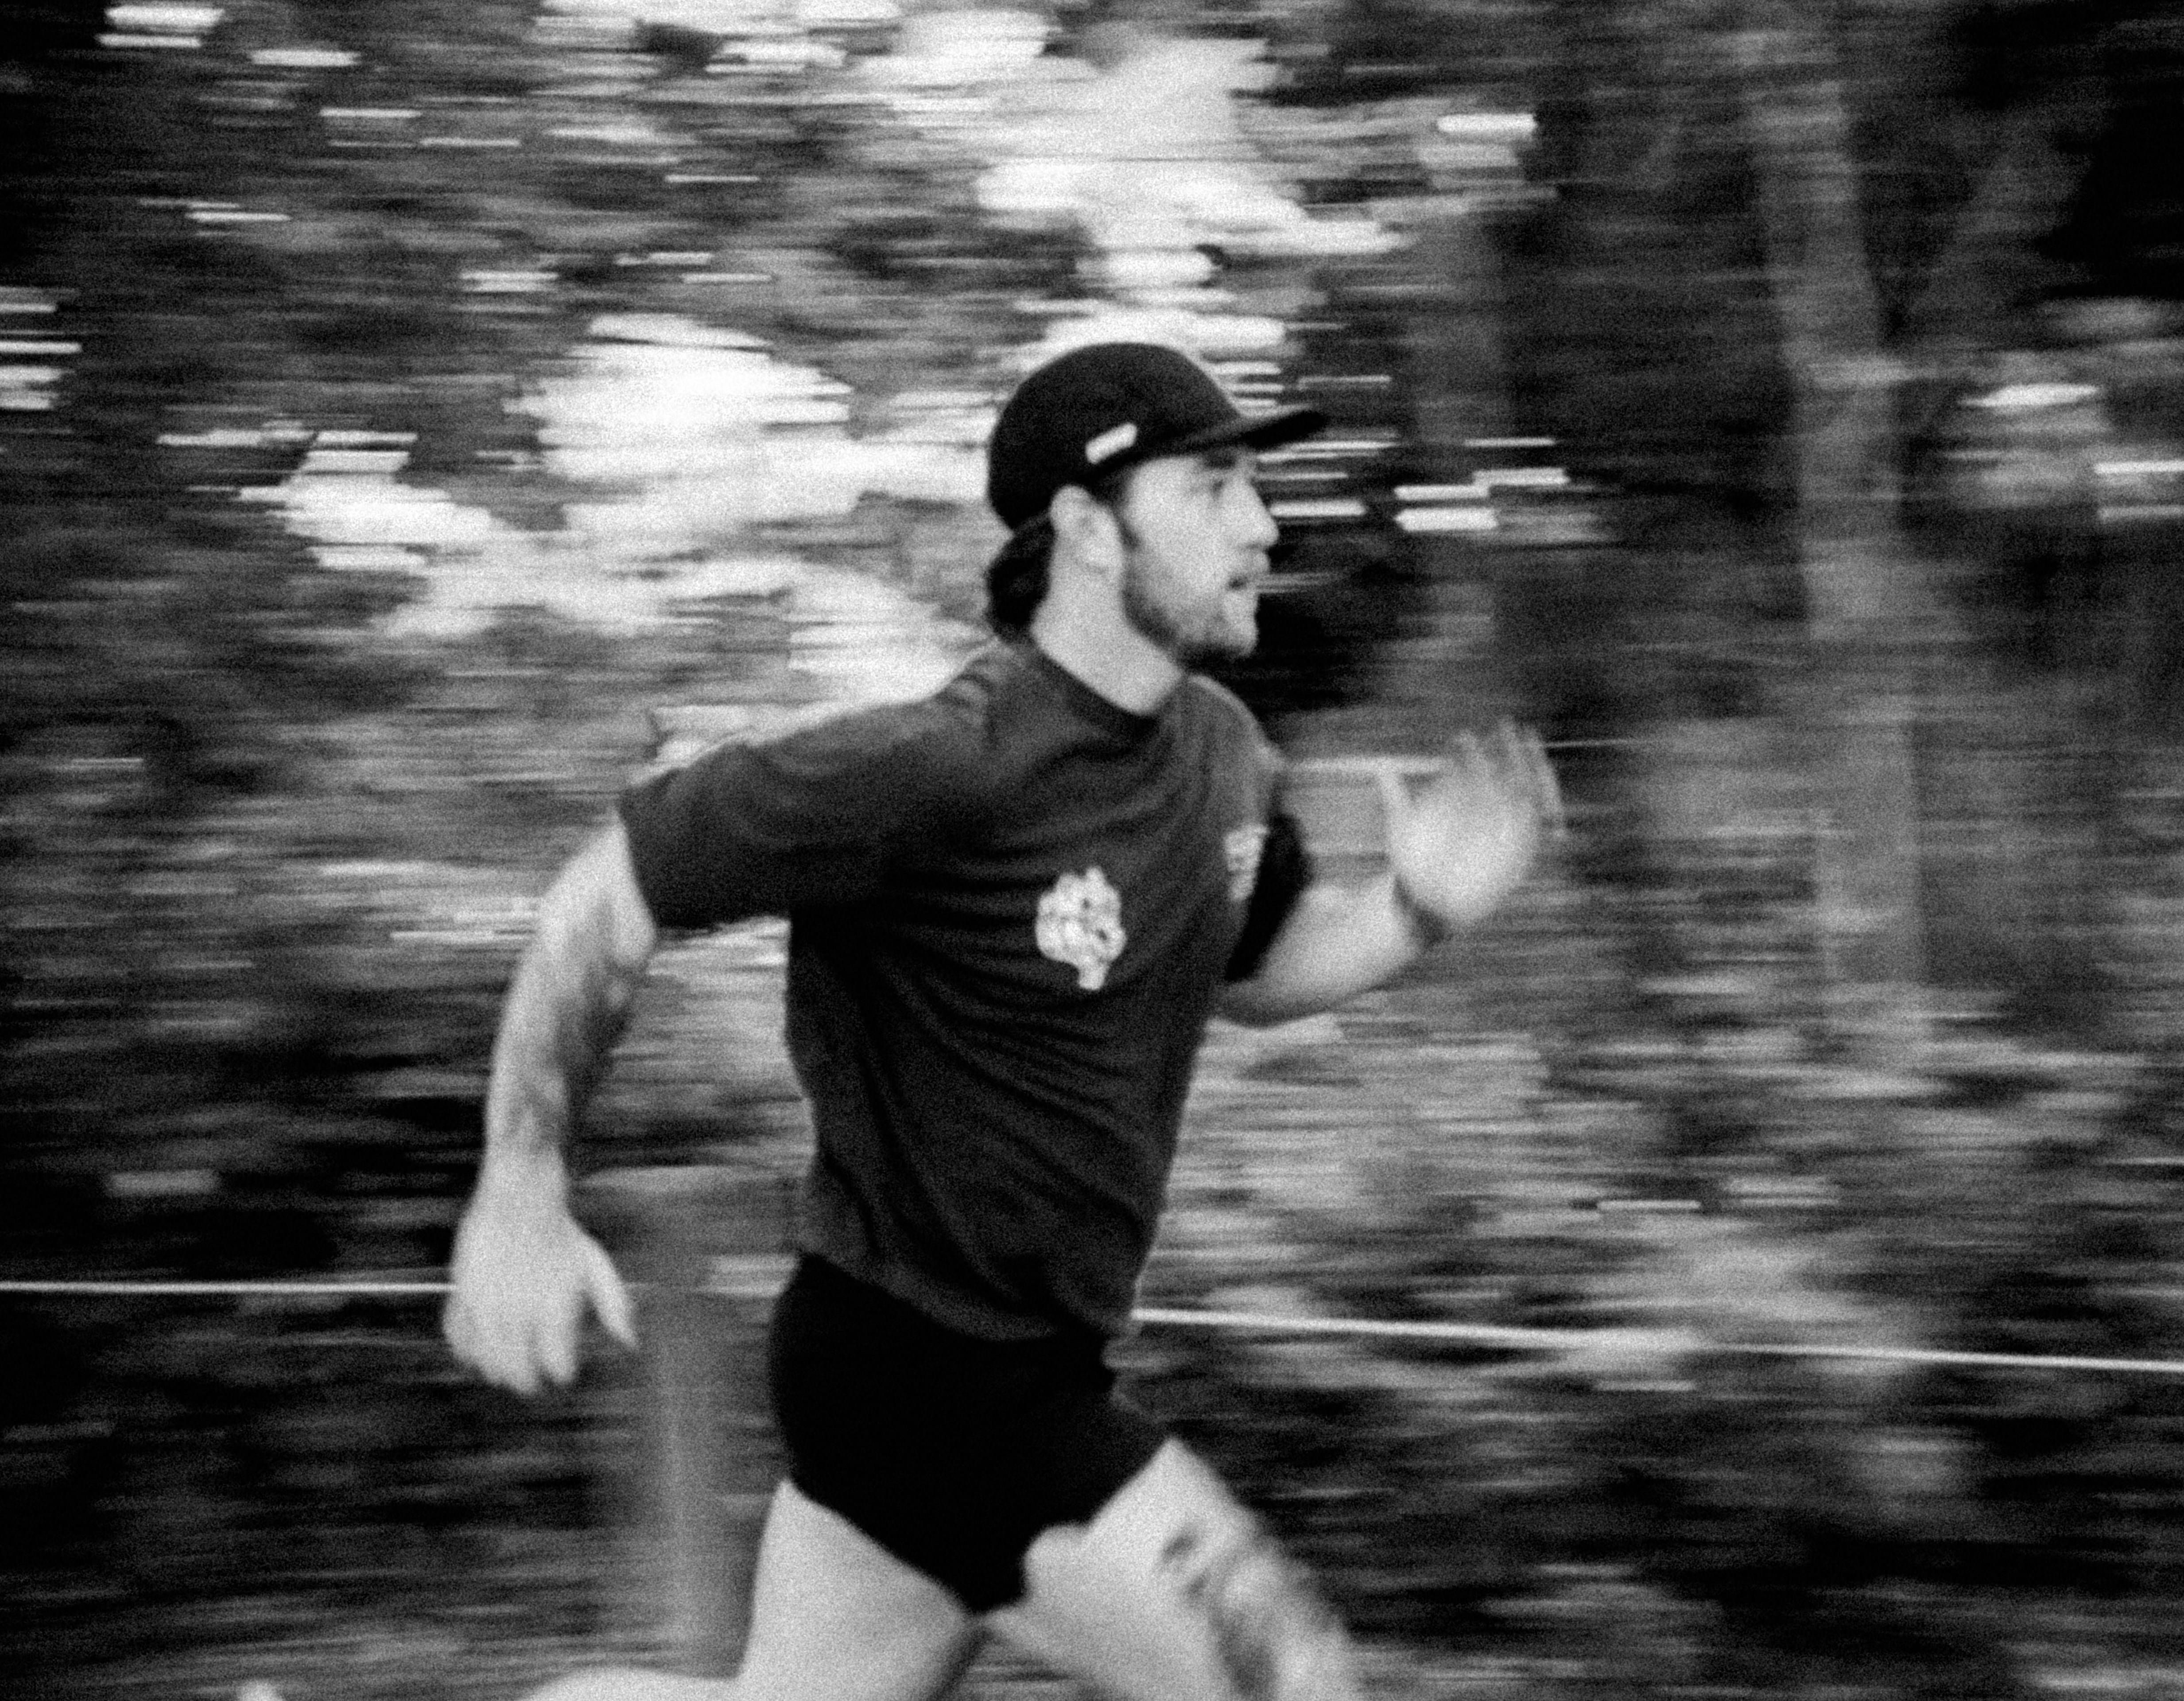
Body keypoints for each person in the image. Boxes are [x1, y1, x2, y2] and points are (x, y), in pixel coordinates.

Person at [442, 341, 1557, 1701]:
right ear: (1087, 529)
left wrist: (1415, 910)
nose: (1264, 525)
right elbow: (605, 893)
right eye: (1214, 487)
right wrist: (520, 1185)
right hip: (928, 1378)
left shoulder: (1221, 753)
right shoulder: (936, 771)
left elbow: (1253, 970)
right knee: (1293, 1684)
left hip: (1000, 1363)